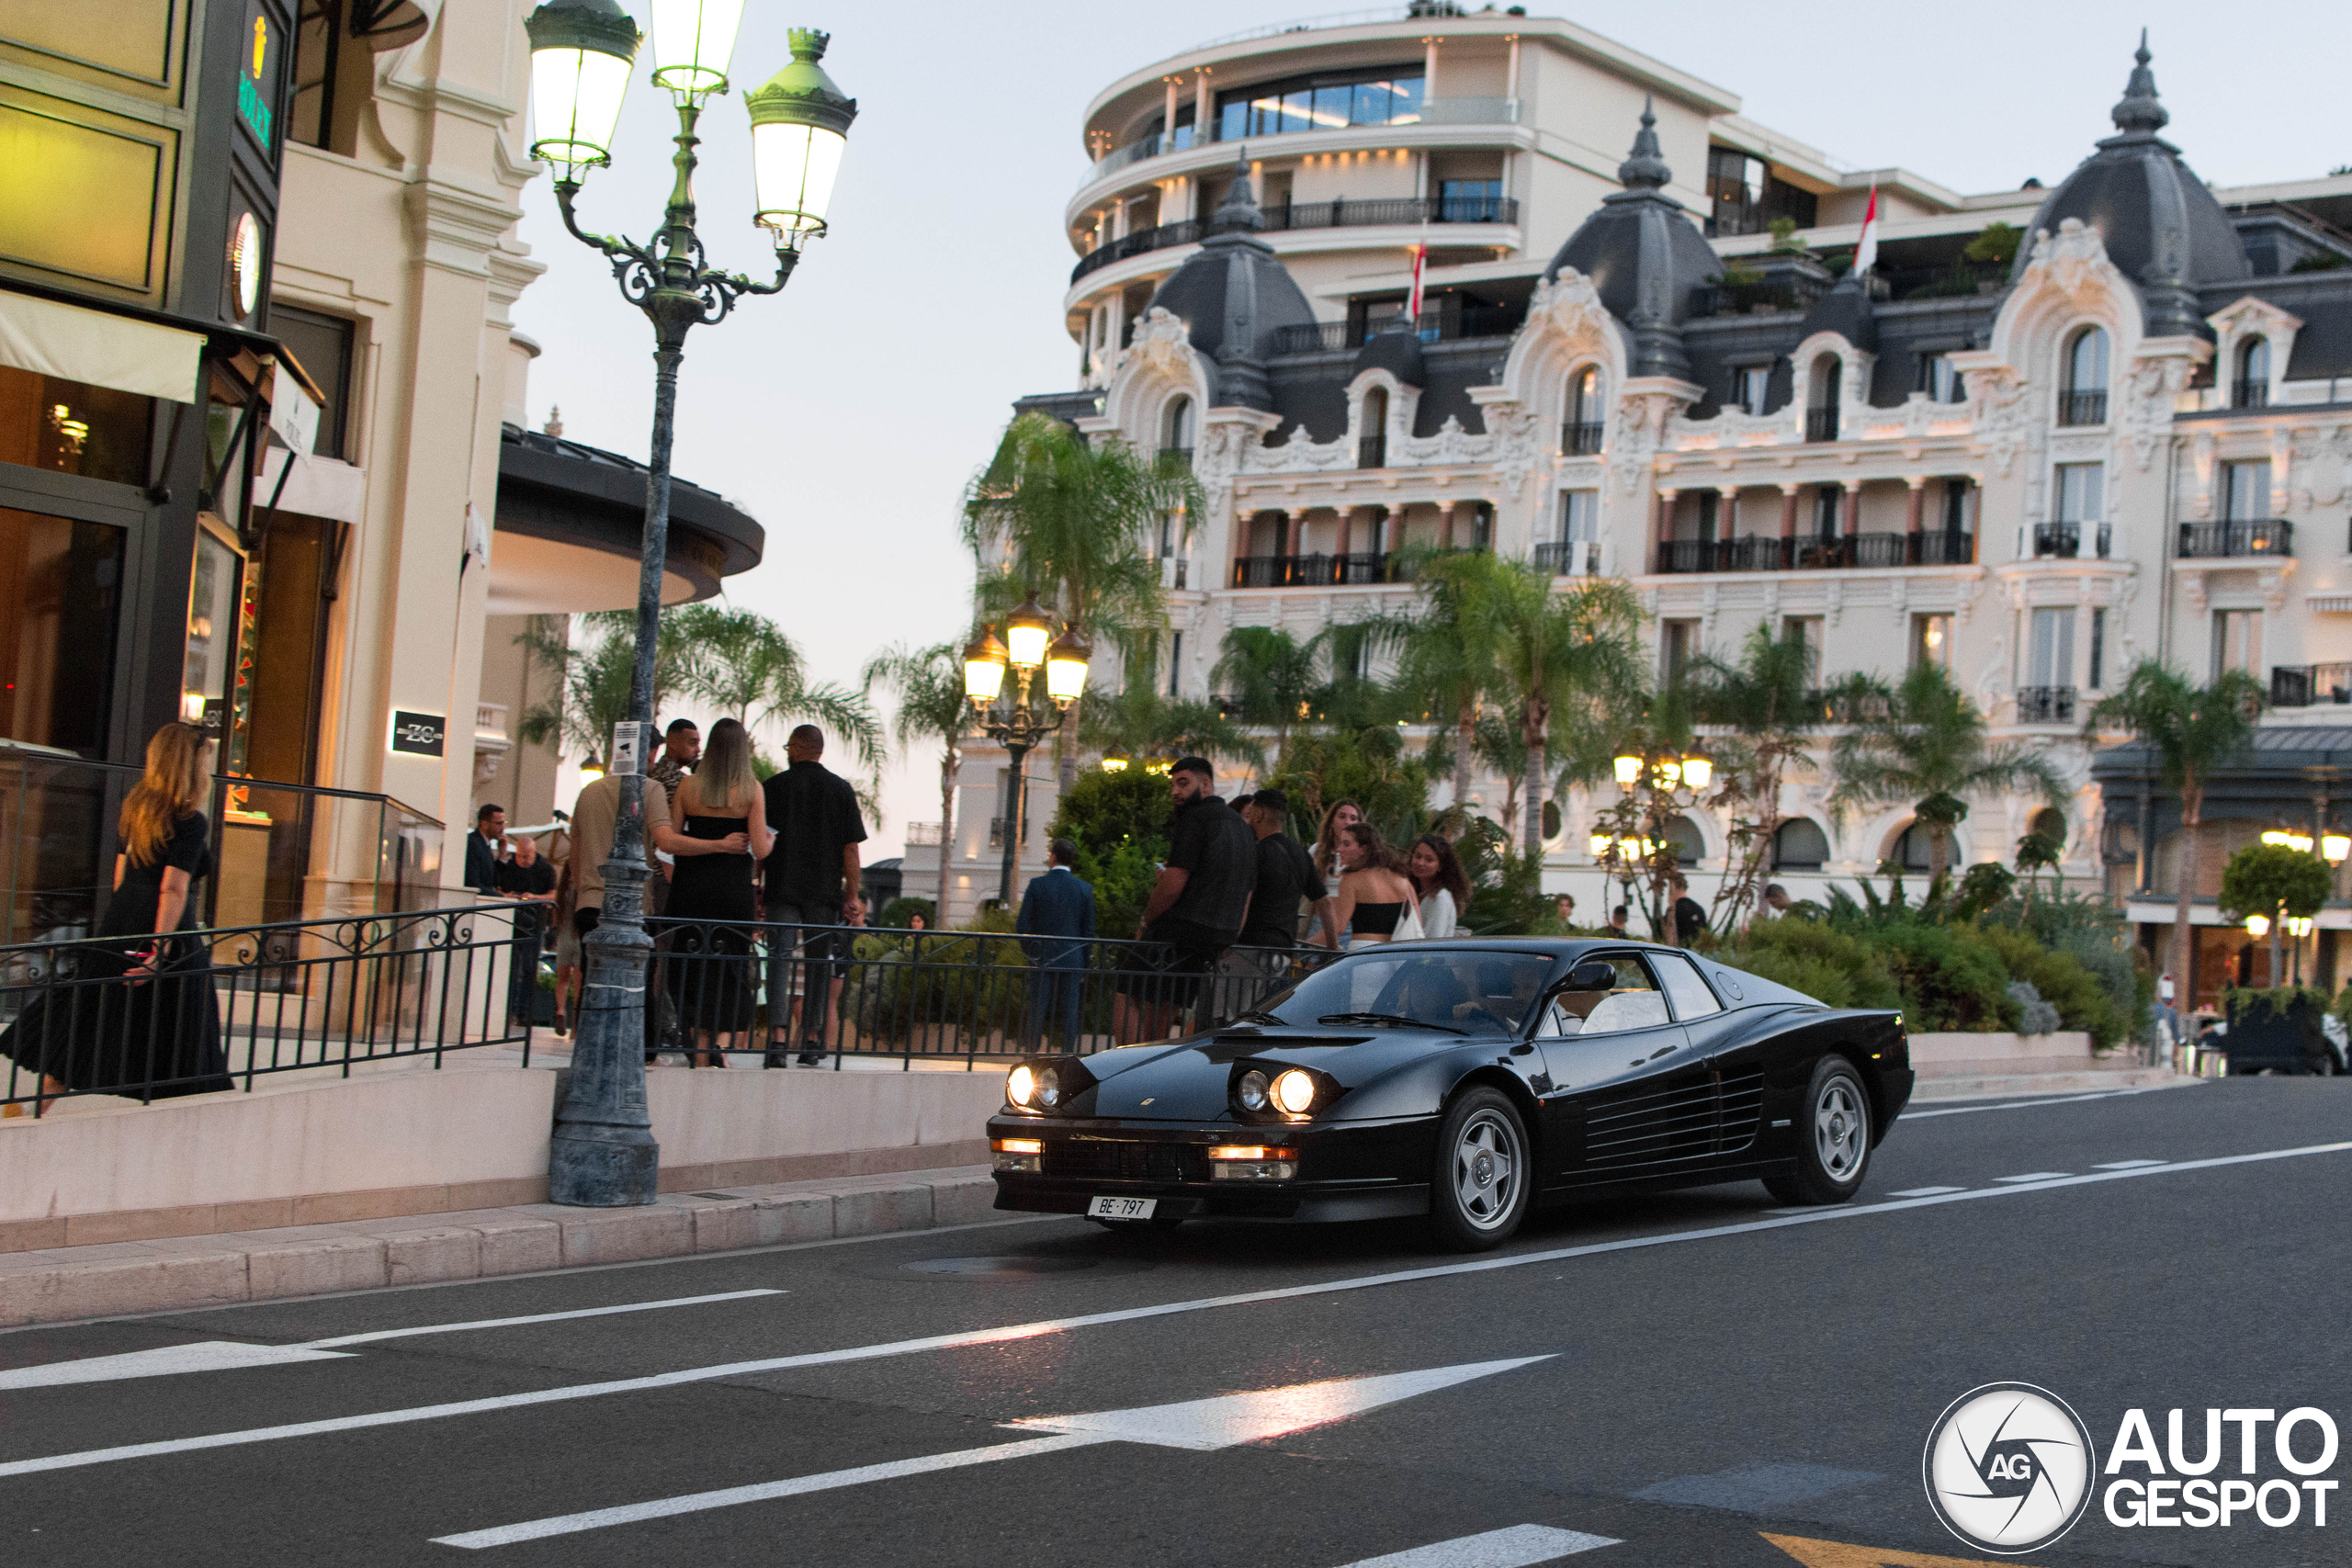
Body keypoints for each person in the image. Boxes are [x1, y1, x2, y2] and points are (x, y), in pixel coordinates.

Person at [0, 722, 232, 1111]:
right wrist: (159, 949)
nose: (208, 766)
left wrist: (123, 927)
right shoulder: (190, 820)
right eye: (206, 758)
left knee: (95, 1008)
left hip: (125, 916)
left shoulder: (139, 808)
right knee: (178, 1021)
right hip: (166, 926)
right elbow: (172, 888)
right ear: (191, 764)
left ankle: (38, 1106)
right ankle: (179, 1114)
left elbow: (122, 873)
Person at [1117, 758, 1255, 1043]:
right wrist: (1232, 935)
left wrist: (1146, 921)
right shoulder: (1242, 828)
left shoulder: (1195, 819)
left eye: (1183, 783)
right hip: (1220, 934)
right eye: (1173, 785)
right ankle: (1151, 1061)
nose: (1175, 792)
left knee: (1124, 987)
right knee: (1167, 1002)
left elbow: (1172, 886)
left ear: (1206, 784)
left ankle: (1127, 1064)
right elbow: (1246, 894)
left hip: (1183, 927)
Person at [662, 717, 769, 1066]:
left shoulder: (688, 787)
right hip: (731, 889)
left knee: (691, 962)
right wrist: (744, 842)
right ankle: (718, 1043)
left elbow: (671, 842)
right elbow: (760, 849)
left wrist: (710, 844)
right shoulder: (752, 790)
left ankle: (698, 1041)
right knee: (731, 964)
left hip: (691, 885)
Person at [763, 723, 867, 1067]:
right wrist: (852, 894)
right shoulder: (840, 790)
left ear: (794, 747)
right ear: (820, 751)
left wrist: (757, 886)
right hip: (823, 892)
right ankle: (810, 1038)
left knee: (779, 959)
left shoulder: (773, 788)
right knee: (818, 964)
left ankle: (777, 1040)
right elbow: (850, 849)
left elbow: (762, 845)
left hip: (782, 886)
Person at [567, 766, 676, 1059]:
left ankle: (589, 1049)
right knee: (639, 981)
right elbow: (665, 840)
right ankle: (642, 1052)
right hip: (634, 906)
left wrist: (584, 890)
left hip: (590, 901)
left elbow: (574, 854)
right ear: (649, 753)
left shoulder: (588, 792)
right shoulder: (650, 789)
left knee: (592, 979)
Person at [1017, 838, 1095, 1053]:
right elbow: (1089, 931)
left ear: (1052, 857)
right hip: (1073, 957)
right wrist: (1084, 962)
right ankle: (1067, 1055)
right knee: (1070, 1010)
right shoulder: (1084, 889)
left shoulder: (1037, 885)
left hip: (1042, 956)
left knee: (1037, 1008)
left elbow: (1022, 925)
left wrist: (1031, 954)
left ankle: (1031, 1054)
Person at [496, 832, 558, 1026]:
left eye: (527, 857)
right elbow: (498, 889)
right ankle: (509, 1009)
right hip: (513, 922)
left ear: (534, 853)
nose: (523, 860)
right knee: (511, 967)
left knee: (530, 968)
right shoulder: (509, 868)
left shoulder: (545, 869)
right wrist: (509, 895)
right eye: (520, 856)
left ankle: (524, 1012)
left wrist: (534, 897)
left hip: (535, 921)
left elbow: (554, 895)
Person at [1332, 822, 1419, 951]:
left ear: (1363, 849)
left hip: (1364, 952)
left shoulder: (1351, 880)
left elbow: (1337, 928)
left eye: (1346, 844)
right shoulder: (1402, 879)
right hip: (1397, 952)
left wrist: (1303, 944)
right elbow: (1417, 921)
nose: (1339, 849)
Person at [1305, 798, 1363, 947]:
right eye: (1342, 816)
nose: (1347, 822)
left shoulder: (1362, 858)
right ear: (1331, 821)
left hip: (1350, 925)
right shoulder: (1317, 851)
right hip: (1319, 921)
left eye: (1353, 818)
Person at [1408, 833, 1472, 940]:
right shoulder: (1414, 892)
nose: (1420, 863)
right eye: (1418, 856)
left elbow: (1432, 940)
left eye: (1429, 860)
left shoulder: (1441, 898)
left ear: (1440, 866)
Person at [648, 717, 700, 798]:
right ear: (673, 743)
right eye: (693, 743)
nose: (698, 750)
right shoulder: (674, 781)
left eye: (698, 744)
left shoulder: (656, 770)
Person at [465, 804, 505, 896]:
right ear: (484, 824)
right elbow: (473, 884)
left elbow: (493, 881)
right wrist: (502, 896)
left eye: (504, 823)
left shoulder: (485, 844)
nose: (503, 828)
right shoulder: (473, 844)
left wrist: (502, 854)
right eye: (499, 823)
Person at [1670, 872, 1709, 947]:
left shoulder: (1674, 910)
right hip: (1696, 951)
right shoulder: (1699, 909)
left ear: (1673, 888)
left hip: (1679, 949)